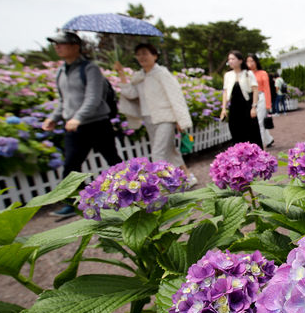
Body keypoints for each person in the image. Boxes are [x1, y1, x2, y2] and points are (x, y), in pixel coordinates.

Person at [42, 31, 122, 217]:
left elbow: (93, 98)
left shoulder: (89, 69)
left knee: (113, 160)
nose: (57, 47)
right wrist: (54, 117)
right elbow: (64, 100)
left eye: (61, 44)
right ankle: (73, 203)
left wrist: (78, 117)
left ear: (75, 46)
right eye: (56, 44)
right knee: (71, 166)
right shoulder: (61, 71)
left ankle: (126, 192)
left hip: (96, 124)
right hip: (74, 127)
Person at [114, 43, 197, 186]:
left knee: (158, 153)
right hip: (149, 118)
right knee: (170, 151)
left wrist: (180, 120)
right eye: (138, 54)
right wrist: (121, 73)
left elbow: (175, 96)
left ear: (155, 55)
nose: (141, 57)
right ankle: (188, 176)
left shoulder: (162, 73)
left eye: (145, 53)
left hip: (166, 118)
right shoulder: (139, 77)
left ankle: (160, 185)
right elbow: (131, 94)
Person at [220, 51, 263, 149]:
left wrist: (253, 107)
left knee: (251, 133)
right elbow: (225, 92)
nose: (230, 61)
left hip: (247, 107)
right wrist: (223, 109)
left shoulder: (248, 73)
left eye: (233, 59)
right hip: (234, 108)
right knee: (236, 132)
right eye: (229, 59)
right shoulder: (227, 75)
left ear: (240, 61)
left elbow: (255, 90)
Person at [246, 53, 274, 148]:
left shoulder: (262, 73)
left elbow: (266, 88)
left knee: (259, 123)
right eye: (248, 61)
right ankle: (269, 139)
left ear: (256, 62)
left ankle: (260, 145)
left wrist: (268, 104)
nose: (250, 63)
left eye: (252, 61)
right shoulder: (246, 74)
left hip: (261, 97)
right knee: (257, 122)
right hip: (250, 99)